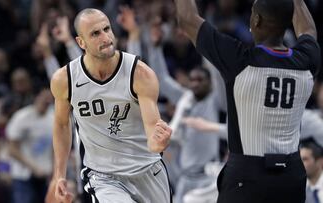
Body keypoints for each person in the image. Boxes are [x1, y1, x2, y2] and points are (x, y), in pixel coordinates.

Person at [174, 0, 321, 202]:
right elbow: (308, 29)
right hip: (291, 176)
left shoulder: (239, 60)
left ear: (256, 20)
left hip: (247, 177)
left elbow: (187, 19)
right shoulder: (307, 60)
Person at [46, 8, 172, 203]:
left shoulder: (140, 74)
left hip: (147, 169)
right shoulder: (65, 79)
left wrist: (159, 142)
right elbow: (62, 125)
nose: (105, 37)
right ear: (81, 42)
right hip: (103, 177)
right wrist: (60, 174)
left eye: (107, 29)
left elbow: (152, 131)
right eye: (95, 33)